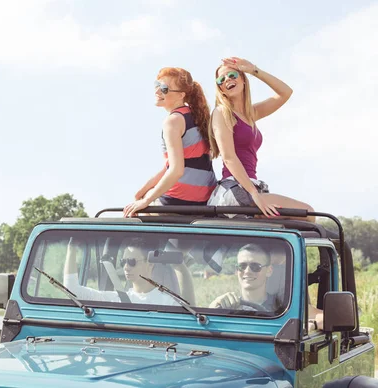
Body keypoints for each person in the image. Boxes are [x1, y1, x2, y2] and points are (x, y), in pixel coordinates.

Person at [206, 57, 314, 222]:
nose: (227, 79)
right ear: (220, 89)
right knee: (307, 213)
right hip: (235, 190)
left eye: (232, 75)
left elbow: (285, 93)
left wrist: (254, 70)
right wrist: (254, 194)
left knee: (297, 222)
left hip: (250, 188)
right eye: (221, 79)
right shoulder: (222, 112)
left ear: (243, 80)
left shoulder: (251, 114)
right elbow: (228, 157)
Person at [123, 67, 217, 218]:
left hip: (179, 200)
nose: (158, 91)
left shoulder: (173, 121)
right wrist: (142, 192)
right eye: (157, 85)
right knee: (140, 196)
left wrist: (146, 200)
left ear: (181, 95)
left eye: (164, 89)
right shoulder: (198, 117)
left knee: (136, 216)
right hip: (205, 200)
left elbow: (176, 170)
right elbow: (175, 166)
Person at [63, 237, 194, 306]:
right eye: (123, 261)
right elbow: (72, 290)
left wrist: (181, 266)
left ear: (150, 264)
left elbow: (191, 316)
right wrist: (71, 248)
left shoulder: (168, 302)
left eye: (132, 261)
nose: (126, 267)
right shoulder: (116, 299)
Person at [209, 243, 282, 312]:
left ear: (269, 271)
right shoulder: (227, 306)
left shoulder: (282, 308)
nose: (247, 271)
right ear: (236, 270)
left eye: (255, 266)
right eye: (242, 266)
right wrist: (213, 308)